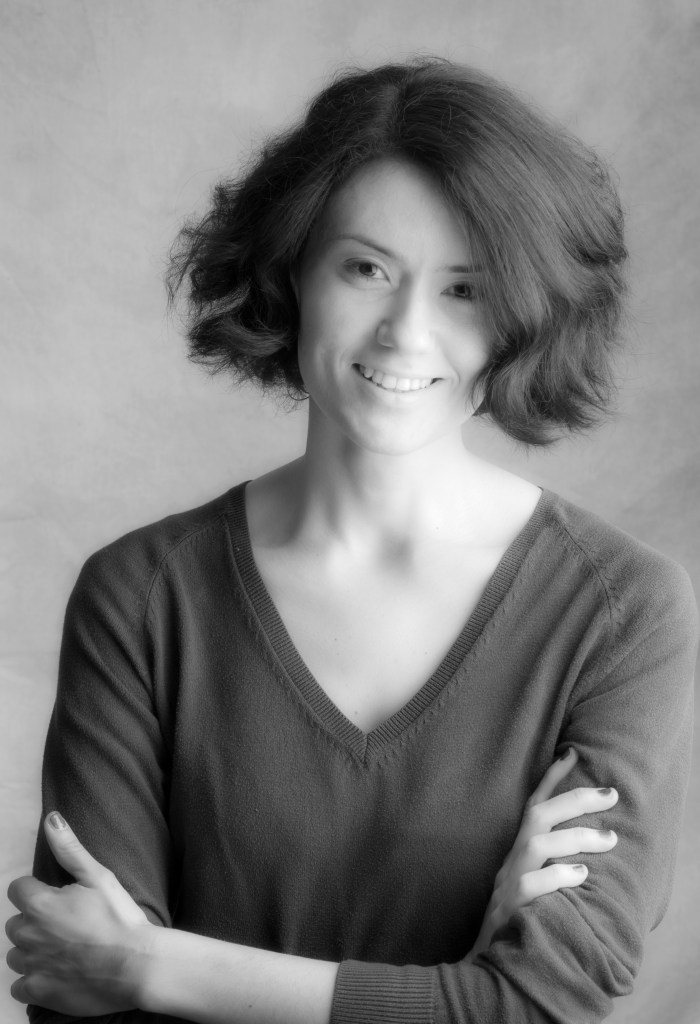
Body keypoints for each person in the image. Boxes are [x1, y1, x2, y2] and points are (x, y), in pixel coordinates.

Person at [5, 58, 698, 1024]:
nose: (405, 333)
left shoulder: (622, 610)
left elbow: (545, 1005)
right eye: (367, 268)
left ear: (521, 318)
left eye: (466, 289)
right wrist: (466, 988)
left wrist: (155, 966)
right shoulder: (140, 594)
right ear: (293, 270)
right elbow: (80, 987)